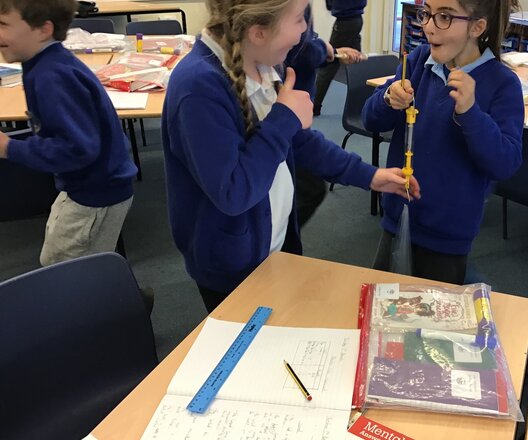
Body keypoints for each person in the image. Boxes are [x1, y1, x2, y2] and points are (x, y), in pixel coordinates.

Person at [162, 0, 420, 312]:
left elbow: (299, 143)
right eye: (299, 19)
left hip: (273, 244)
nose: (304, 32)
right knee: (250, 337)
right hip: (232, 267)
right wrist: (284, 117)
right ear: (258, 32)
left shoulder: (263, 62)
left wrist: (370, 176)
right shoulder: (198, 87)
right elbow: (233, 191)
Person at [362, 0, 523, 284]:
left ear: (477, 27)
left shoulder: (502, 83)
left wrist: (470, 113)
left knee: (435, 309)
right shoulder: (417, 62)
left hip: (448, 235)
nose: (428, 26)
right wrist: (388, 99)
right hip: (397, 216)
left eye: (445, 17)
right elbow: (370, 120)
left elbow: (505, 163)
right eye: (427, 14)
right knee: (382, 302)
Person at [0, 0, 137, 266]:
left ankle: (111, 292)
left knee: (66, 270)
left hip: (95, 193)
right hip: (86, 184)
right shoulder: (46, 64)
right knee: (59, 260)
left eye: (3, 24)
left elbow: (77, 149)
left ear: (43, 29)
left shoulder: (52, 77)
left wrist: (9, 148)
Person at [285, 6, 364, 227]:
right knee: (307, 188)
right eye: (299, 20)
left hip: (294, 119)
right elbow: (302, 48)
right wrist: (325, 48)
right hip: (291, 112)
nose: (304, 28)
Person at [313, 0, 366, 116]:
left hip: (345, 21)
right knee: (356, 60)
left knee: (330, 61)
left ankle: (314, 105)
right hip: (356, 19)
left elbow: (330, 5)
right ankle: (364, 103)